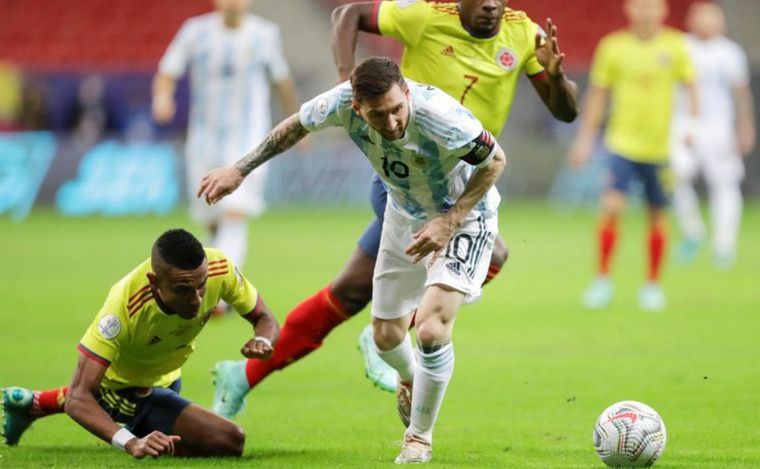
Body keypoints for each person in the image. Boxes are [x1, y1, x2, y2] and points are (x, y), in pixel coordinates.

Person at [210, 0, 578, 418]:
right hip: (403, 172)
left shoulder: (524, 33)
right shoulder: (423, 15)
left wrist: (557, 77)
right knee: (490, 253)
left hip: (460, 177)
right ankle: (394, 330)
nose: (492, 5)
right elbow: (345, 14)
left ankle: (245, 375)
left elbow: (566, 113)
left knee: (349, 291)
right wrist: (348, 86)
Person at [200, 56, 506, 464]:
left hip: (464, 218)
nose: (393, 123)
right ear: (358, 108)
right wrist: (239, 170)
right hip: (404, 214)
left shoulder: (440, 116)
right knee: (384, 337)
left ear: (407, 93)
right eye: (379, 115)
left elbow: (495, 161)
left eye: (398, 109)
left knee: (431, 330)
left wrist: (450, 222)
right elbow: (293, 127)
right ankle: (411, 378)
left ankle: (418, 439)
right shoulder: (340, 103)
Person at [1, 229, 279, 459]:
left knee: (189, 439)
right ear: (154, 282)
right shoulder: (122, 307)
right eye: (183, 290)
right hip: (125, 391)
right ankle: (41, 404)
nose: (196, 300)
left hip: (168, 378)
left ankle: (35, 403)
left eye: (202, 285)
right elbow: (78, 398)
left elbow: (265, 317)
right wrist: (131, 442)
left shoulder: (220, 268)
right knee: (229, 440)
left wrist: (262, 339)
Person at [152, 0, 299, 279]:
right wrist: (162, 97)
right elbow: (168, 70)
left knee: (235, 210)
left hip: (249, 139)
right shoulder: (195, 32)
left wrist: (298, 124)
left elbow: (282, 81)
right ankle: (218, 275)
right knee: (213, 214)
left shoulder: (264, 34)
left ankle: (219, 289)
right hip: (204, 138)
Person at [569, 0, 698, 312]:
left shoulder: (676, 45)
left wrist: (691, 128)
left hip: (660, 148)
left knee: (657, 214)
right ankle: (602, 280)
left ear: (663, 10)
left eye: (652, 6)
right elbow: (598, 96)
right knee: (612, 207)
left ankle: (652, 286)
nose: (646, 11)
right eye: (640, 5)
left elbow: (692, 88)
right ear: (629, 9)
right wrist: (585, 140)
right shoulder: (613, 47)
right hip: (621, 143)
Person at [671, 1, 755, 269]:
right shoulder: (680, 46)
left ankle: (724, 246)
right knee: (673, 176)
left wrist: (745, 127)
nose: (706, 21)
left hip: (719, 126)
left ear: (722, 21)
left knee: (725, 184)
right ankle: (693, 231)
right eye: (700, 15)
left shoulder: (730, 53)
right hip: (684, 123)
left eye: (711, 16)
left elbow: (741, 95)